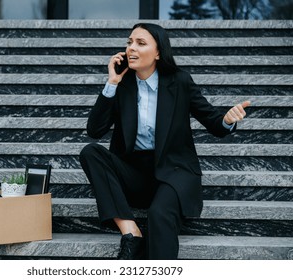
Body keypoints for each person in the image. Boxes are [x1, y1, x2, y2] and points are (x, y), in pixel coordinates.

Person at [79, 23, 250, 260]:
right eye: (129, 42)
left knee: (159, 215)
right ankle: (131, 231)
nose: (131, 48)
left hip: (174, 171)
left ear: (158, 52)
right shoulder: (123, 84)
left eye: (141, 43)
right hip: (135, 173)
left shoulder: (179, 81)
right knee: (91, 152)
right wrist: (112, 83)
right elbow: (94, 130)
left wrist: (227, 120)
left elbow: (213, 122)